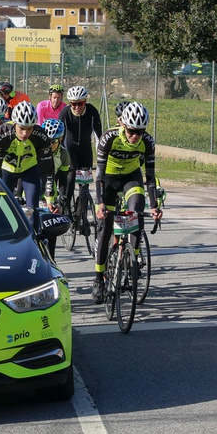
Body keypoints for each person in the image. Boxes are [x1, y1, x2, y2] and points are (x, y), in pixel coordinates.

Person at [91, 102, 162, 304]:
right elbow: (99, 174)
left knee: (136, 213)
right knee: (105, 230)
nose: (135, 136)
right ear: (123, 126)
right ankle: (98, 279)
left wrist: (155, 205)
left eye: (140, 132)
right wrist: (100, 203)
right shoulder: (109, 138)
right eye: (132, 131)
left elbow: (150, 175)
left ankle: (134, 259)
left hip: (131, 179)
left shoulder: (147, 142)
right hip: (109, 181)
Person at [0, 101, 54, 213]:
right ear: (15, 124)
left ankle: (33, 229)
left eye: (29, 128)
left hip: (29, 170)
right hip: (7, 170)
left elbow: (47, 170)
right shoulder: (0, 136)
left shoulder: (40, 136)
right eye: (22, 128)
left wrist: (49, 198)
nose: (25, 133)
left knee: (32, 209)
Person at [59, 85, 103, 211]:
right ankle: (66, 206)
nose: (77, 107)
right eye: (74, 104)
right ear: (70, 104)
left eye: (80, 103)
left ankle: (82, 207)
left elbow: (98, 134)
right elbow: (59, 135)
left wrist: (100, 152)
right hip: (70, 148)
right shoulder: (65, 113)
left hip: (85, 149)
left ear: (85, 102)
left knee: (85, 179)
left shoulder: (92, 111)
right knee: (71, 175)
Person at [42, 118, 72, 220]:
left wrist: (62, 196)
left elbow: (63, 178)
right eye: (47, 140)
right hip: (36, 181)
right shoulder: (37, 149)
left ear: (60, 139)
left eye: (53, 141)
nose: (50, 144)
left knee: (52, 218)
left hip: (51, 184)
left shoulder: (64, 154)